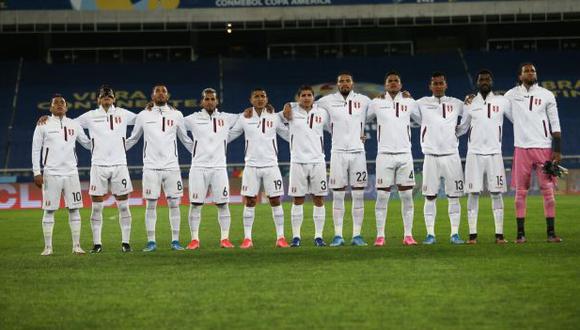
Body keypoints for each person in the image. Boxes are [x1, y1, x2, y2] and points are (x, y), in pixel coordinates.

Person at [125, 85, 193, 252]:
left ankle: (175, 241)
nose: (161, 94)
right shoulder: (143, 115)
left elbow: (186, 139)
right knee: (150, 204)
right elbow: (132, 139)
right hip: (151, 167)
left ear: (168, 95)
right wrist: (113, 151)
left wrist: (200, 153)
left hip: (171, 167)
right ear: (152, 96)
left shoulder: (177, 115)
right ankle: (151, 241)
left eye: (164, 91)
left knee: (174, 204)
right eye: (158, 91)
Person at [505, 63, 562, 243]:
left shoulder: (546, 95)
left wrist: (557, 148)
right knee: (520, 192)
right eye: (526, 71)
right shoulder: (511, 95)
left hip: (544, 147)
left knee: (548, 191)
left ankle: (551, 233)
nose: (530, 73)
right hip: (521, 148)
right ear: (520, 76)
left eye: (533, 70)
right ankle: (520, 234)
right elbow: (500, 109)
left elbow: (555, 122)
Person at [228, 88, 290, 249]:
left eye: (262, 96)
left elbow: (289, 134)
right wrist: (211, 141)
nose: (260, 99)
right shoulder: (244, 117)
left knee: (275, 200)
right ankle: (247, 238)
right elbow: (229, 135)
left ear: (267, 98)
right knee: (250, 201)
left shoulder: (274, 117)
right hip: (251, 166)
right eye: (256, 96)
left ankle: (281, 237)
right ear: (251, 100)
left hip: (271, 165)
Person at [31, 94, 92, 255]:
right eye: (55, 103)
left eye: (62, 103)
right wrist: (37, 172)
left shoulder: (74, 124)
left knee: (74, 209)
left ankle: (76, 246)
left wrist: (104, 139)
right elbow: (35, 149)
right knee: (49, 210)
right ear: (50, 108)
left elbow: (86, 143)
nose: (59, 105)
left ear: (66, 107)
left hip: (71, 172)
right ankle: (48, 247)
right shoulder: (43, 124)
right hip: (51, 173)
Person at [316, 72, 371, 247]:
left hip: (358, 153)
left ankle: (357, 235)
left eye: (347, 81)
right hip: (337, 153)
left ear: (352, 83)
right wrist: (288, 106)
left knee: (358, 194)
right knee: (338, 195)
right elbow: (306, 106)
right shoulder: (326, 100)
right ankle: (338, 235)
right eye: (341, 81)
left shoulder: (364, 100)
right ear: (337, 84)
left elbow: (385, 107)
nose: (345, 83)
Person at [367, 71, 421, 246]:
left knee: (407, 196)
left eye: (396, 81)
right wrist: (358, 133)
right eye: (390, 81)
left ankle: (408, 235)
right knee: (382, 197)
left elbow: (423, 121)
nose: (393, 83)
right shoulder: (376, 102)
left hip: (405, 155)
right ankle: (380, 235)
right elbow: (359, 119)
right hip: (384, 155)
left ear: (401, 84)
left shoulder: (409, 102)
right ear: (385, 84)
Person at [457, 70, 510, 244]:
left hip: (495, 153)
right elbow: (463, 127)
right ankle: (472, 235)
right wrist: (444, 134)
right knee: (473, 193)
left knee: (496, 193)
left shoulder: (502, 101)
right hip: (474, 154)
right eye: (482, 79)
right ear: (477, 82)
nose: (485, 81)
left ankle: (499, 235)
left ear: (492, 81)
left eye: (487, 78)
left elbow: (518, 119)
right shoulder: (469, 102)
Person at [183, 88, 238, 249]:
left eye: (212, 99)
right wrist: (192, 148)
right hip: (198, 168)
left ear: (217, 101)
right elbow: (175, 124)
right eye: (206, 99)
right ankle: (194, 239)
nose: (209, 102)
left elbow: (247, 117)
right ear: (201, 102)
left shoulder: (226, 118)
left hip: (219, 168)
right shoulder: (193, 119)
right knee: (195, 204)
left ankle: (225, 239)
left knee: (223, 204)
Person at [416, 72, 465, 245]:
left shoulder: (457, 103)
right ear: (430, 86)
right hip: (431, 156)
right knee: (430, 196)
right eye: (434, 83)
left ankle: (455, 234)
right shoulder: (421, 103)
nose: (438, 86)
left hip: (452, 155)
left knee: (454, 196)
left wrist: (457, 132)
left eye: (440, 83)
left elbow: (470, 117)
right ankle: (430, 234)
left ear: (446, 85)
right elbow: (409, 114)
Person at [282, 85, 329, 247]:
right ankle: (296, 237)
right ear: (298, 97)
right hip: (298, 162)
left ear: (313, 97)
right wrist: (287, 105)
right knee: (298, 199)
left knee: (319, 199)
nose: (307, 97)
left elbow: (335, 127)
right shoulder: (290, 111)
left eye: (309, 95)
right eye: (303, 95)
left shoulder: (322, 113)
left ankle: (318, 236)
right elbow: (271, 117)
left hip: (318, 161)